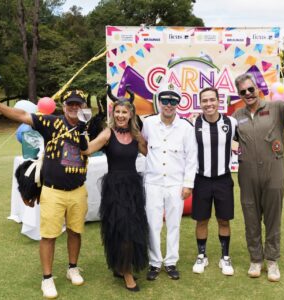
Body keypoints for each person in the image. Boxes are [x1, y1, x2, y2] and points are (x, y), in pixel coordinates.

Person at [0, 90, 90, 298]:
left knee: (75, 232)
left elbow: (93, 145)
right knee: (49, 236)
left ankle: (72, 268)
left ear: (83, 106)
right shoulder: (51, 122)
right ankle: (47, 279)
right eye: (71, 103)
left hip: (78, 190)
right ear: (64, 105)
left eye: (78, 104)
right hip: (53, 191)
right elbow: (22, 116)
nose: (74, 107)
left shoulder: (86, 126)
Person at [232, 64, 284, 282]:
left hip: (273, 170)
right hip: (247, 173)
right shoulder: (237, 116)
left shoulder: (276, 108)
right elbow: (223, 137)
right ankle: (256, 260)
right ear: (239, 95)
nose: (247, 94)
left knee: (273, 218)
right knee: (251, 217)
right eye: (243, 92)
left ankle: (272, 261)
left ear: (257, 88)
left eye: (250, 89)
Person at [79, 94, 148, 292]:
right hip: (115, 189)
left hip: (133, 188)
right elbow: (87, 150)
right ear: (113, 113)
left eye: (124, 112)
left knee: (133, 229)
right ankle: (126, 272)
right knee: (121, 230)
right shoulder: (108, 133)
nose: (120, 115)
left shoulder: (136, 135)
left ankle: (122, 266)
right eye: (117, 111)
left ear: (131, 114)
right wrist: (82, 132)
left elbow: (150, 152)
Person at [142, 82, 197, 281]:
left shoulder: (186, 127)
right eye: (165, 100)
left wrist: (188, 184)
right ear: (159, 101)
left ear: (178, 104)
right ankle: (155, 263)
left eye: (173, 100)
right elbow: (141, 145)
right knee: (153, 224)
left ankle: (171, 261)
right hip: (153, 183)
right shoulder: (148, 123)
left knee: (174, 224)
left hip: (176, 183)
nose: (169, 104)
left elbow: (192, 157)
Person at [191, 87, 237, 276]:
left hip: (223, 179)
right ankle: (202, 256)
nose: (208, 104)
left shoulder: (231, 122)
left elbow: (247, 141)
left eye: (212, 100)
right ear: (200, 103)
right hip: (201, 180)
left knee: (223, 219)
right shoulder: (193, 123)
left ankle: (225, 258)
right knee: (202, 220)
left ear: (219, 101)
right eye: (205, 100)